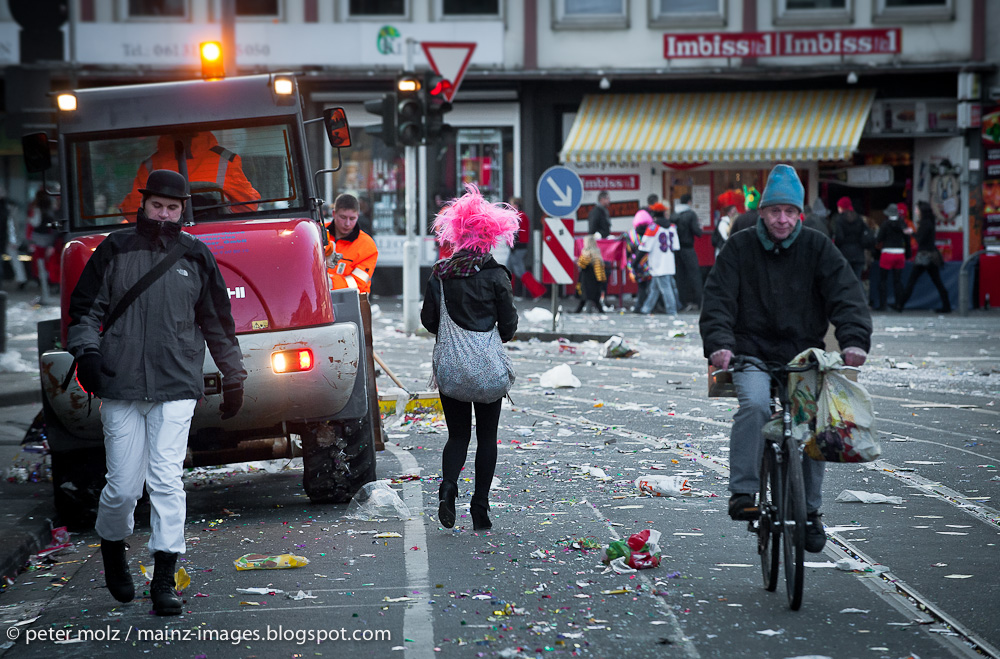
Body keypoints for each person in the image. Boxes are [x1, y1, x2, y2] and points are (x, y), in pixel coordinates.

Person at [66, 169, 246, 615]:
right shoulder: (113, 249)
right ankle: (112, 548)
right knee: (122, 488)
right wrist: (87, 354)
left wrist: (234, 375)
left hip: (175, 383)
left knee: (166, 480)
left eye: (172, 207)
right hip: (120, 381)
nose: (164, 214)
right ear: (143, 205)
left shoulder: (196, 256)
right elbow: (86, 312)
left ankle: (164, 579)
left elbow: (218, 324)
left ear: (183, 209)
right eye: (157, 206)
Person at [699, 164, 872, 554]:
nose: (781, 219)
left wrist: (854, 342)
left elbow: (846, 296)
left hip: (802, 353)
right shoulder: (739, 248)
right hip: (750, 352)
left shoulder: (818, 247)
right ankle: (743, 492)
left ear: (800, 215)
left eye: (789, 212)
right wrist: (720, 344)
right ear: (761, 213)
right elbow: (718, 301)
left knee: (810, 422)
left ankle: (810, 512)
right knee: (757, 406)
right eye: (774, 211)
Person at [420, 185, 518, 531]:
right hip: (488, 371)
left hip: (452, 370)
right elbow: (509, 326)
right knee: (487, 437)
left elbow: (428, 321)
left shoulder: (440, 274)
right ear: (490, 237)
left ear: (458, 236)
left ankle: (448, 491)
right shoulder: (496, 276)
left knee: (457, 436)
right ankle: (480, 506)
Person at [119, 132, 260, 217]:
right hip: (217, 238)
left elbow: (133, 212)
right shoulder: (225, 160)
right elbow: (248, 206)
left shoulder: (150, 165)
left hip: (164, 243)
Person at [896, 200, 951, 313]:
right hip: (930, 255)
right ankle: (947, 306)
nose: (915, 211)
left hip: (924, 256)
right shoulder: (928, 222)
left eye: (917, 209)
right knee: (937, 281)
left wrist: (911, 232)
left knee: (912, 281)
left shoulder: (925, 223)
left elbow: (920, 240)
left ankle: (900, 305)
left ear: (921, 210)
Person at [325, 193, 378, 294]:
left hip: (351, 302)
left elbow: (357, 282)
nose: (347, 223)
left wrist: (328, 282)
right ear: (333, 214)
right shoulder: (318, 233)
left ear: (358, 216)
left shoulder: (367, 245)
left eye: (352, 218)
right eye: (343, 217)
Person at [638, 203, 679, 316]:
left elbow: (644, 247)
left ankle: (672, 311)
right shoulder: (672, 227)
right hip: (669, 262)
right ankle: (646, 309)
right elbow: (676, 247)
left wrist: (636, 262)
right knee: (655, 288)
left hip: (657, 262)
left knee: (665, 288)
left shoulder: (653, 228)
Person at [874, 203, 911, 311]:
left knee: (883, 280)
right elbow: (907, 240)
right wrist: (908, 253)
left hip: (887, 253)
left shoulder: (885, 224)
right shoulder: (902, 224)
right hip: (899, 253)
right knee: (898, 281)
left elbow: (879, 239)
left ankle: (882, 304)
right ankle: (899, 304)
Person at [671, 193, 703, 312]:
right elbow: (697, 231)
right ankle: (699, 302)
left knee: (680, 276)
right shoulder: (691, 214)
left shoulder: (674, 214)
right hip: (688, 248)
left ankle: (682, 302)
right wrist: (700, 229)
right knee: (695, 275)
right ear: (689, 202)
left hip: (677, 250)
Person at [832, 196, 872, 283]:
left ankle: (847, 297)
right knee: (857, 280)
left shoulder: (839, 220)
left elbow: (839, 238)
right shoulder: (859, 218)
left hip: (845, 254)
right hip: (859, 254)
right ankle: (860, 296)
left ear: (842, 207)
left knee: (845, 281)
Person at [624, 209, 653, 312]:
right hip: (648, 263)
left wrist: (631, 264)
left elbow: (628, 251)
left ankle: (638, 307)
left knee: (641, 287)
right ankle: (648, 307)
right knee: (651, 287)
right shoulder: (650, 232)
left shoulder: (630, 234)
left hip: (636, 263)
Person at [1, 185, 27, 290]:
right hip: (6, 237)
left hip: (6, 238)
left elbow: (11, 224)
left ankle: (21, 279)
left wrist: (14, 239)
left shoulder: (8, 207)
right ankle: (21, 279)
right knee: (15, 259)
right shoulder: (8, 206)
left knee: (15, 259)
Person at [574, 234, 607, 313]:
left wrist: (579, 260)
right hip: (596, 279)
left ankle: (585, 310)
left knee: (586, 295)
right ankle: (600, 310)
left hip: (586, 278)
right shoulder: (597, 253)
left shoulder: (586, 253)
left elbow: (581, 264)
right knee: (594, 297)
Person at [506, 197, 531, 298]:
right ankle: (511, 292)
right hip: (520, 247)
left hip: (517, 247)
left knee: (518, 272)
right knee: (510, 270)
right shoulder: (522, 215)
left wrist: (513, 245)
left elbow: (516, 232)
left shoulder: (517, 216)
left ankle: (536, 291)